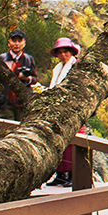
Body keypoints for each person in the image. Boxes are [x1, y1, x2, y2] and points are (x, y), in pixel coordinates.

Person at [46, 37, 80, 187]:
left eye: (65, 51)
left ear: (71, 52)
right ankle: (60, 175)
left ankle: (73, 175)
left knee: (73, 143)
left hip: (73, 110)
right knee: (58, 142)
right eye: (60, 52)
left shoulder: (76, 66)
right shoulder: (58, 69)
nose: (63, 55)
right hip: (58, 110)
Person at [0, 28, 36, 119]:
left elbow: (35, 79)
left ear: (24, 43)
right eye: (13, 40)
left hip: (22, 103)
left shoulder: (29, 59)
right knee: (7, 130)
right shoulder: (1, 58)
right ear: (8, 42)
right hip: (4, 103)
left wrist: (26, 78)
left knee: (22, 130)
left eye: (19, 41)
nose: (16, 44)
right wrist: (4, 69)